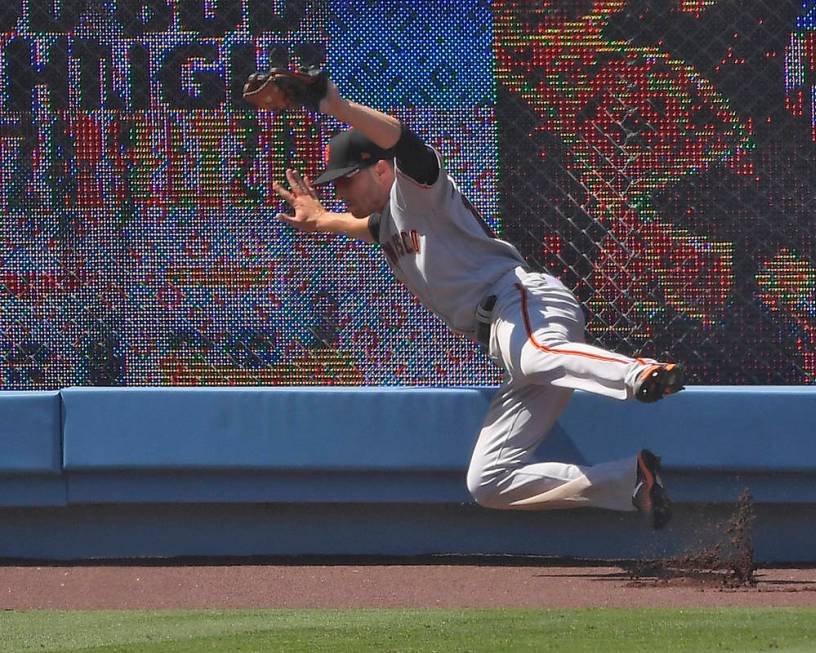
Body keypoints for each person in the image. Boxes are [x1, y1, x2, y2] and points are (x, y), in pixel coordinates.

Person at [264, 72, 684, 529]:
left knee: (534, 358)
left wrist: (336, 106)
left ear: (381, 169)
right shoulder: (385, 223)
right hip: (511, 338)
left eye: (346, 180)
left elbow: (405, 142)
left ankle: (638, 371)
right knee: (489, 481)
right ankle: (632, 483)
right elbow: (350, 224)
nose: (340, 190)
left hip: (520, 301)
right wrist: (321, 218)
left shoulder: (414, 190)